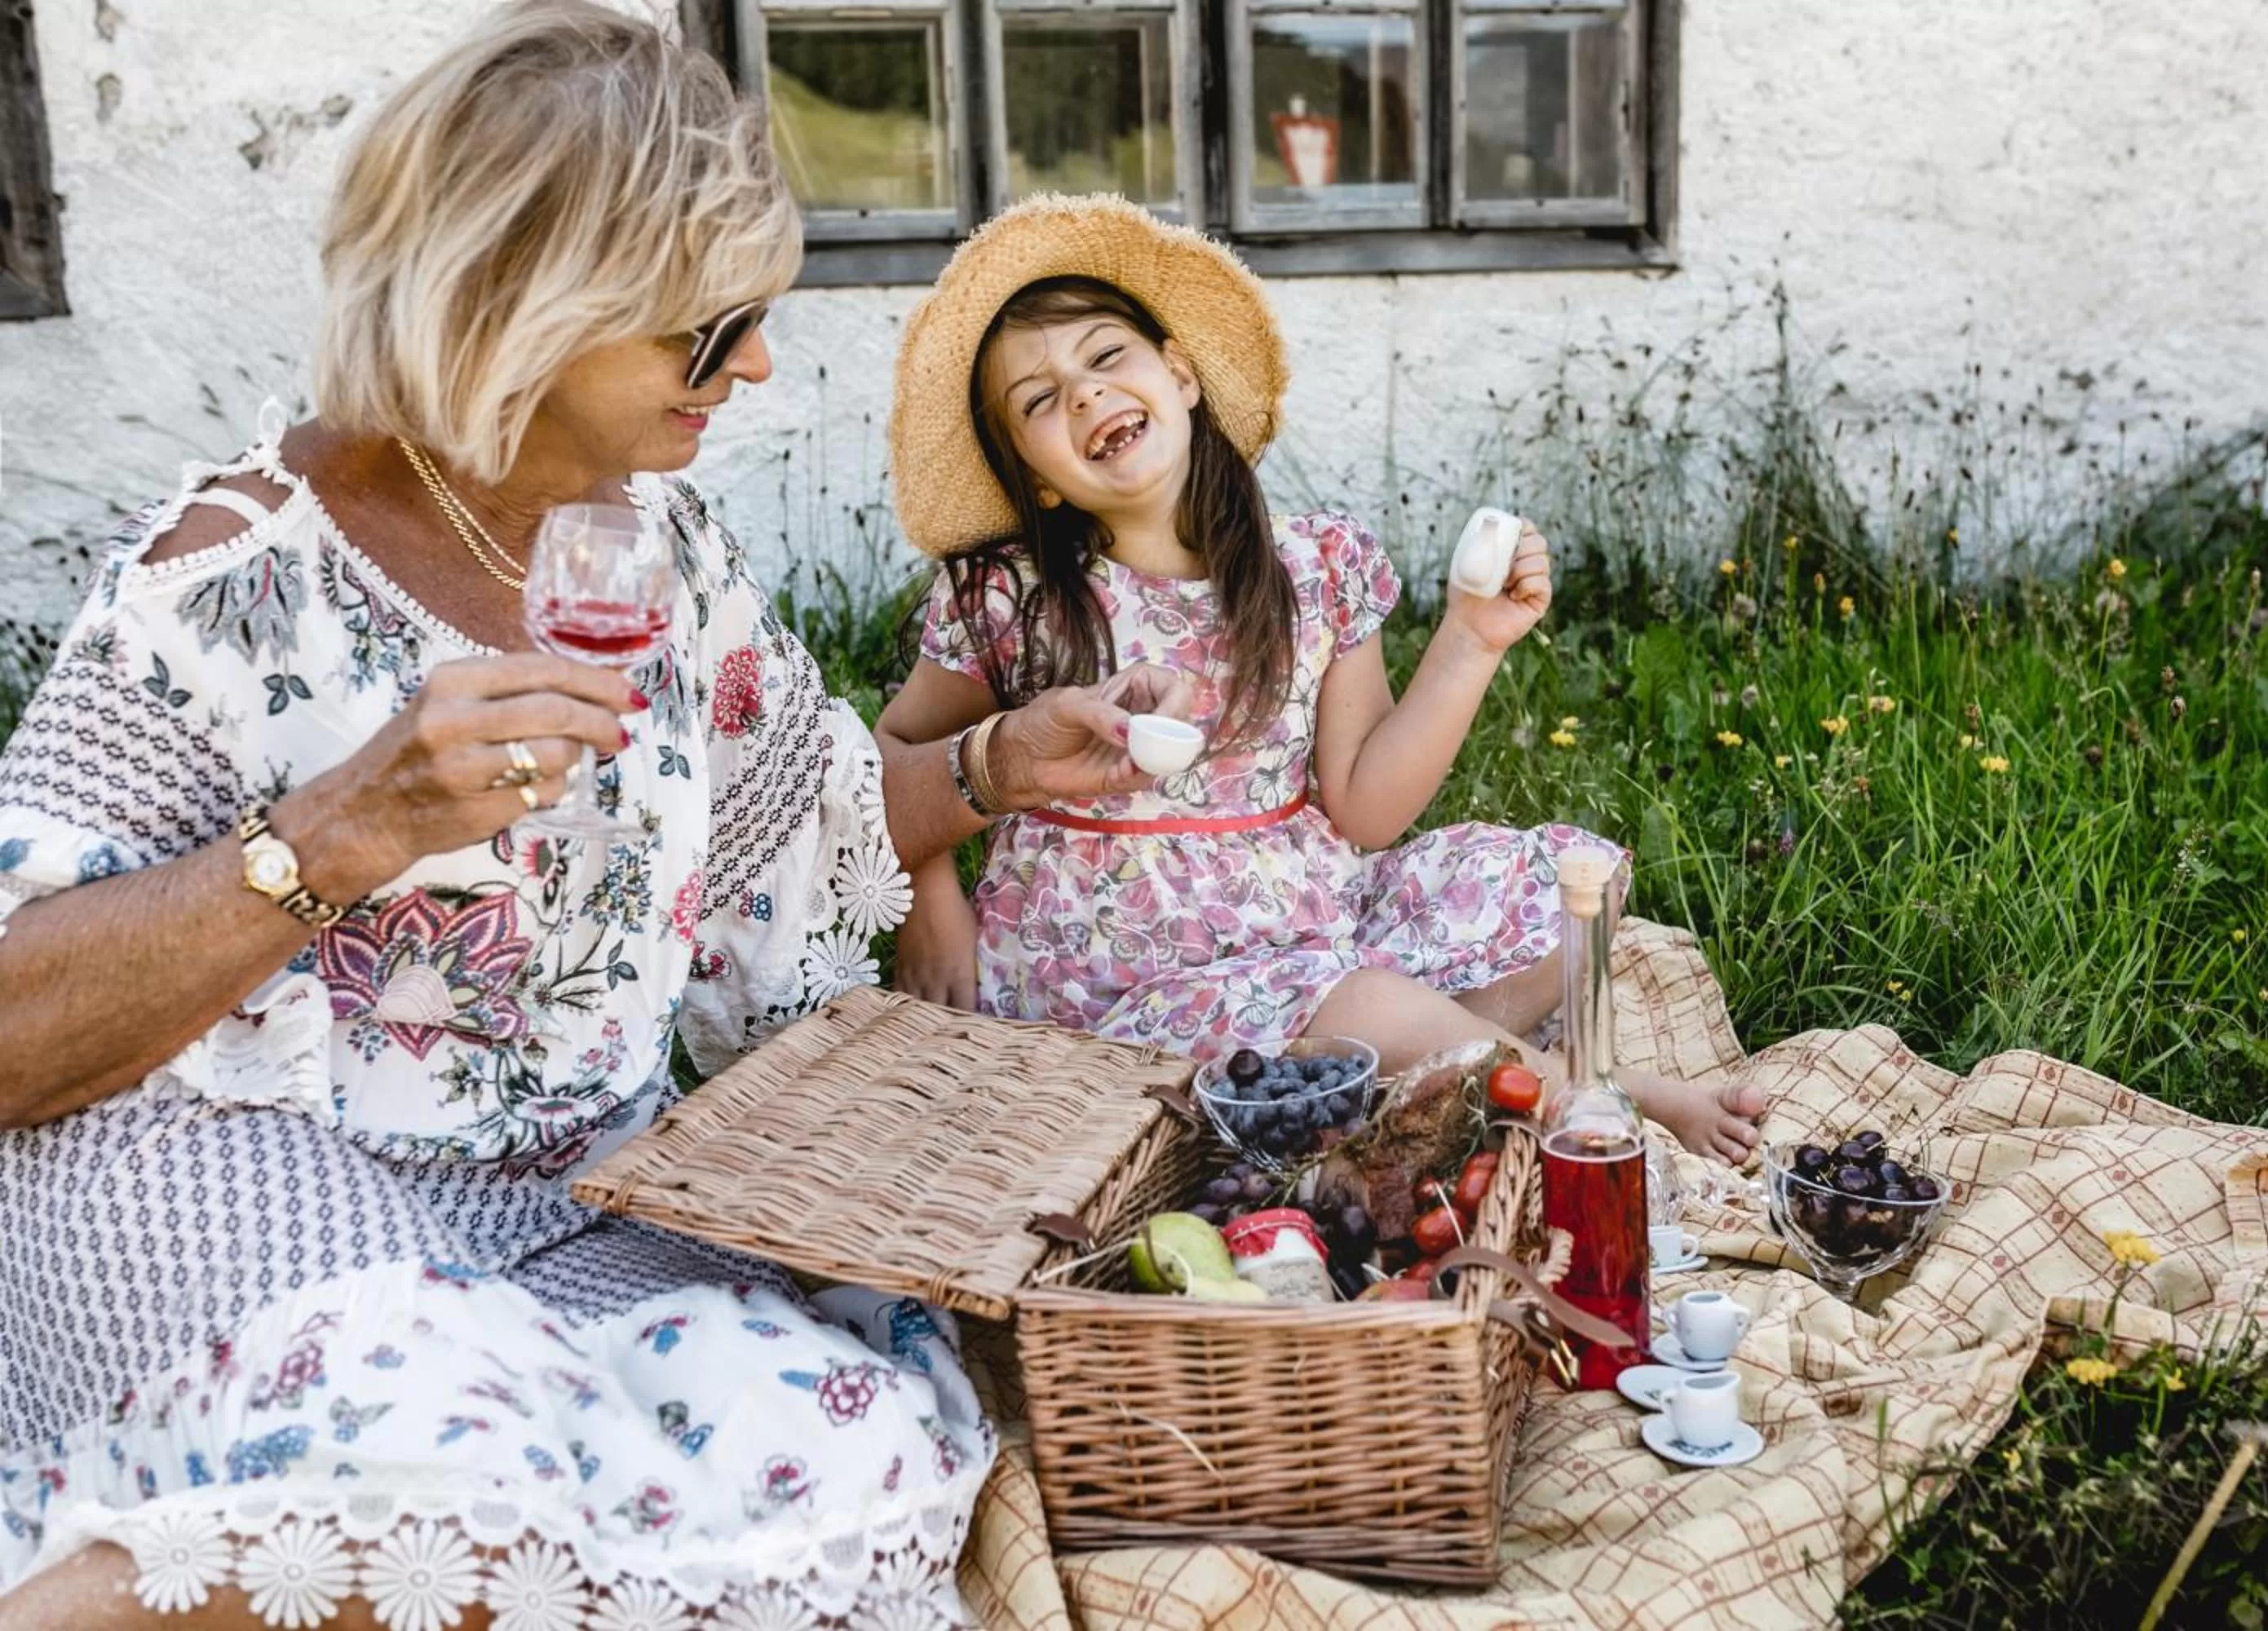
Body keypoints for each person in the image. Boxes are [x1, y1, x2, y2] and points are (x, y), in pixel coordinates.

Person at [0, 11, 1157, 1628]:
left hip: (571, 1187)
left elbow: (791, 827)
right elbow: (15, 1022)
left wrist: (984, 774)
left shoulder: (658, 552)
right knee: (445, 1488)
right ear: (523, 313)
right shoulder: (229, 577)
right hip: (240, 1157)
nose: (753, 367)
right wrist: (337, 834)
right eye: (712, 330)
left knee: (853, 1450)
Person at [874, 196, 1763, 1164]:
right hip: (1106, 981)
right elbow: (896, 751)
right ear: (1036, 476)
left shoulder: (1315, 566)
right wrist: (932, 896)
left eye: (1104, 357)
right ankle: (1594, 1095)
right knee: (1362, 1005)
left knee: (1562, 886)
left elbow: (1367, 810)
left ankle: (1408, 1073)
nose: (1082, 395)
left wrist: (1471, 640)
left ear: (1179, 374)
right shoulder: (1010, 595)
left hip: (1309, 918)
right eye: (1039, 401)